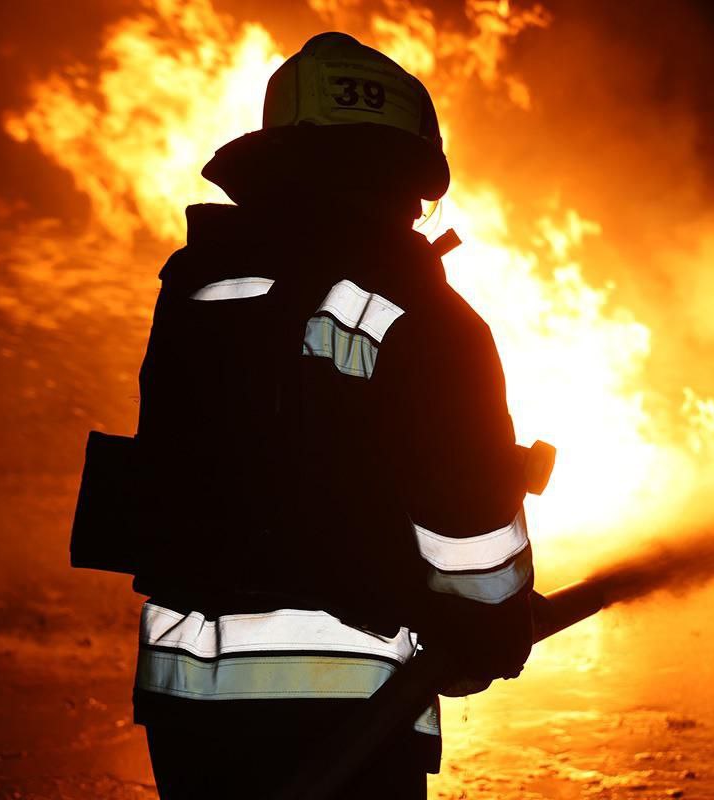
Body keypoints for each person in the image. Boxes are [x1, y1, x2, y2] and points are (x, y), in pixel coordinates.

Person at [129, 32, 535, 798]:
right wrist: (492, 629)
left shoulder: (196, 289)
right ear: (405, 177)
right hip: (348, 710)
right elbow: (471, 528)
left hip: (185, 706)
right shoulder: (425, 315)